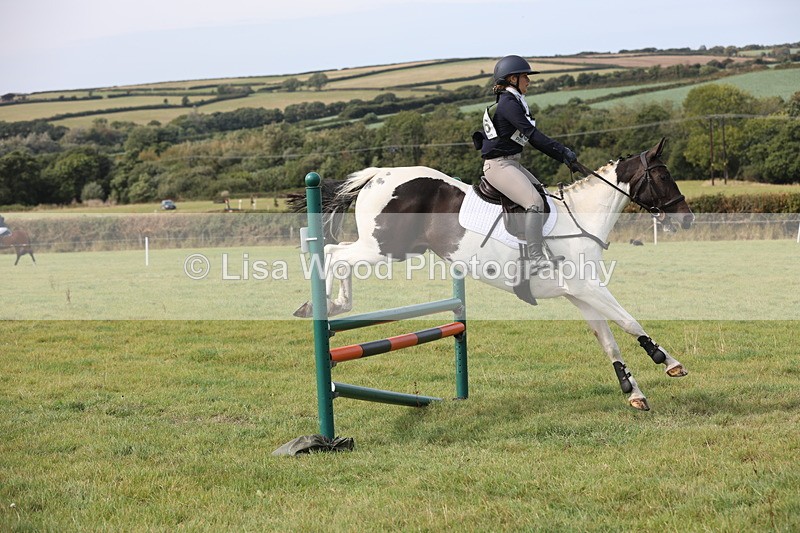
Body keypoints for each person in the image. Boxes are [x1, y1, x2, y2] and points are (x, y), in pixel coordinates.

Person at [476, 55, 581, 273]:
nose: (528, 81)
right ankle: (535, 259)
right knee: (534, 202)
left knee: (543, 195)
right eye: (525, 77)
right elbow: (533, 136)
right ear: (512, 79)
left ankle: (533, 248)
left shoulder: (514, 101)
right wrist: (562, 153)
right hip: (498, 165)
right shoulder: (508, 104)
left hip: (512, 163)